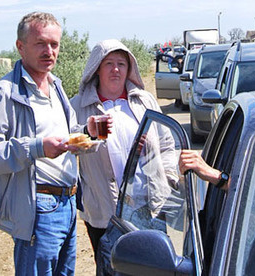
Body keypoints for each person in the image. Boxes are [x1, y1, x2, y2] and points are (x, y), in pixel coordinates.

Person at [0, 12, 89, 275]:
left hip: (68, 203)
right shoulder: (4, 93)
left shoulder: (55, 86)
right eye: (41, 43)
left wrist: (85, 133)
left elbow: (63, 134)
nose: (49, 51)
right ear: (20, 47)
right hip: (39, 207)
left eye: (54, 44)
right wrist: (36, 148)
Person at [70, 39, 177, 266]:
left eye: (121, 63)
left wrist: (168, 178)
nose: (116, 69)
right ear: (97, 68)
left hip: (149, 207)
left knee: (154, 268)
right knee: (113, 268)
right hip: (104, 211)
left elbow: (167, 144)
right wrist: (87, 134)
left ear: (130, 69)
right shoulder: (77, 107)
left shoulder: (144, 101)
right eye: (108, 63)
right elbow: (66, 147)